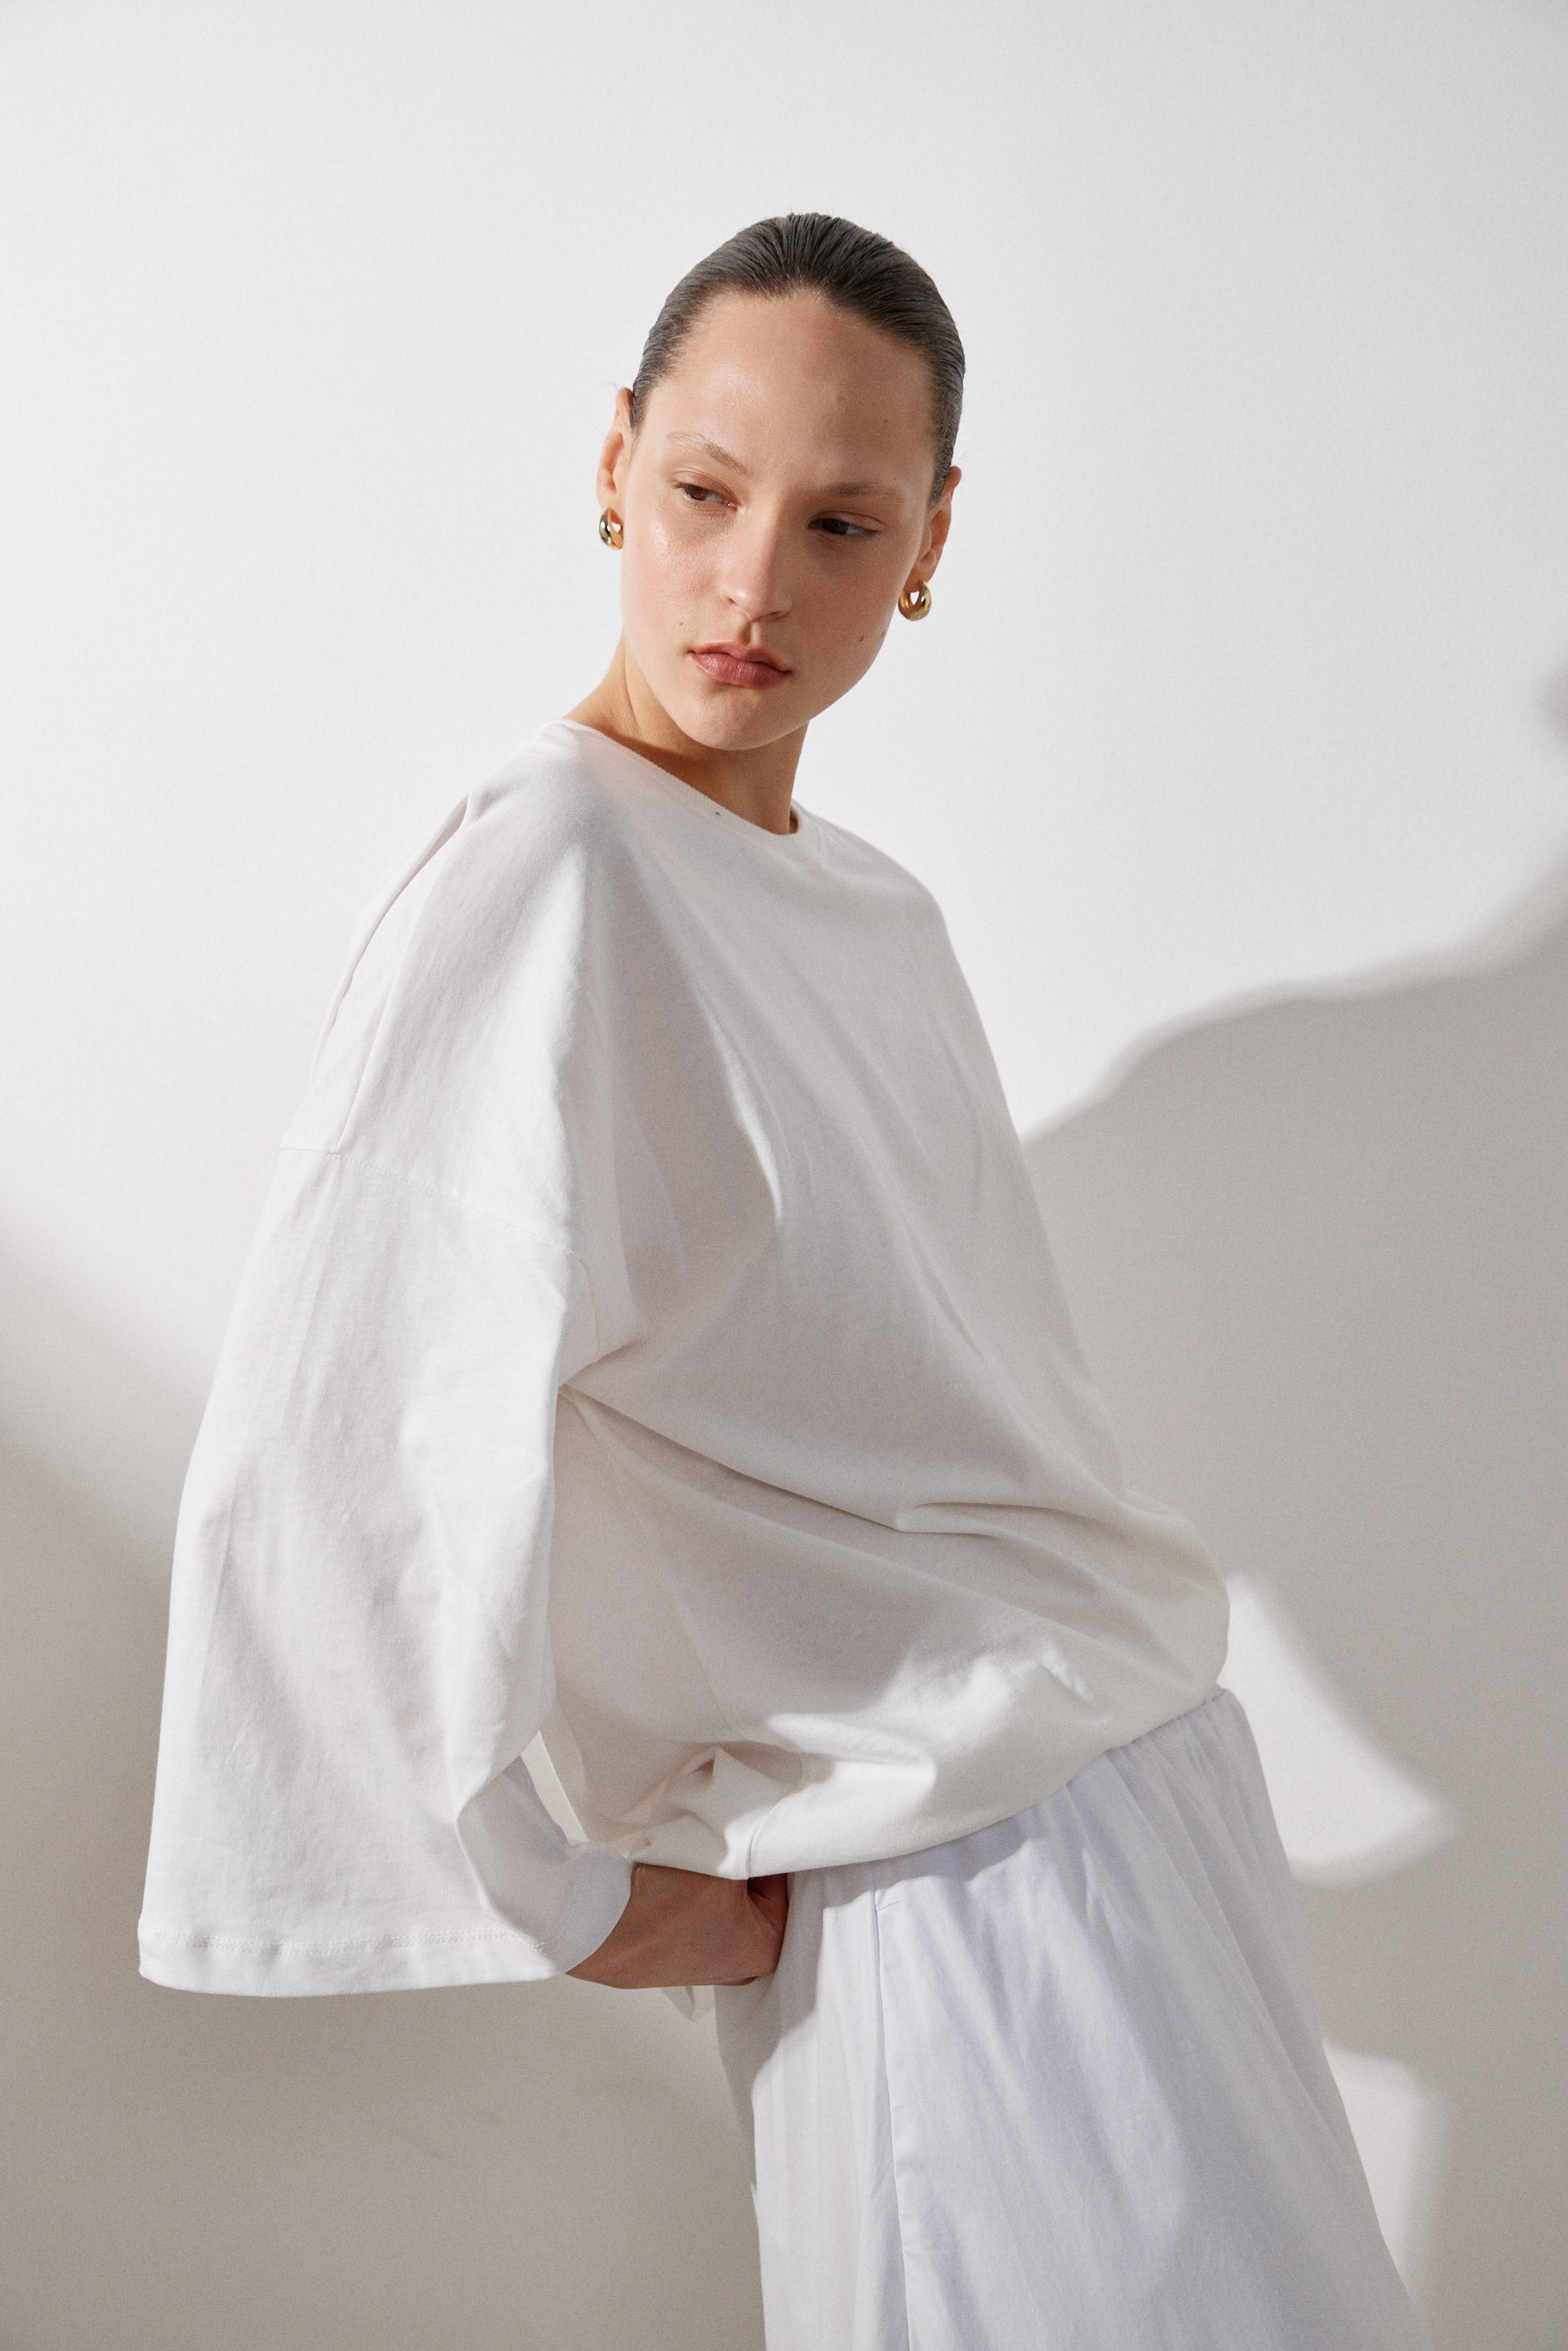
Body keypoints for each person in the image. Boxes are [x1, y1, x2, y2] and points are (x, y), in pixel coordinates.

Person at [138, 211, 1431, 2348]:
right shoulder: (546, 866)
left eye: (839, 522)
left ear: (930, 539)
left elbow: (963, 1432)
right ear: (612, 464)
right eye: (703, 493)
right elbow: (337, 1448)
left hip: (1134, 1794)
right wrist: (560, 1895)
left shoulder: (875, 912)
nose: (753, 585)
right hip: (936, 1875)